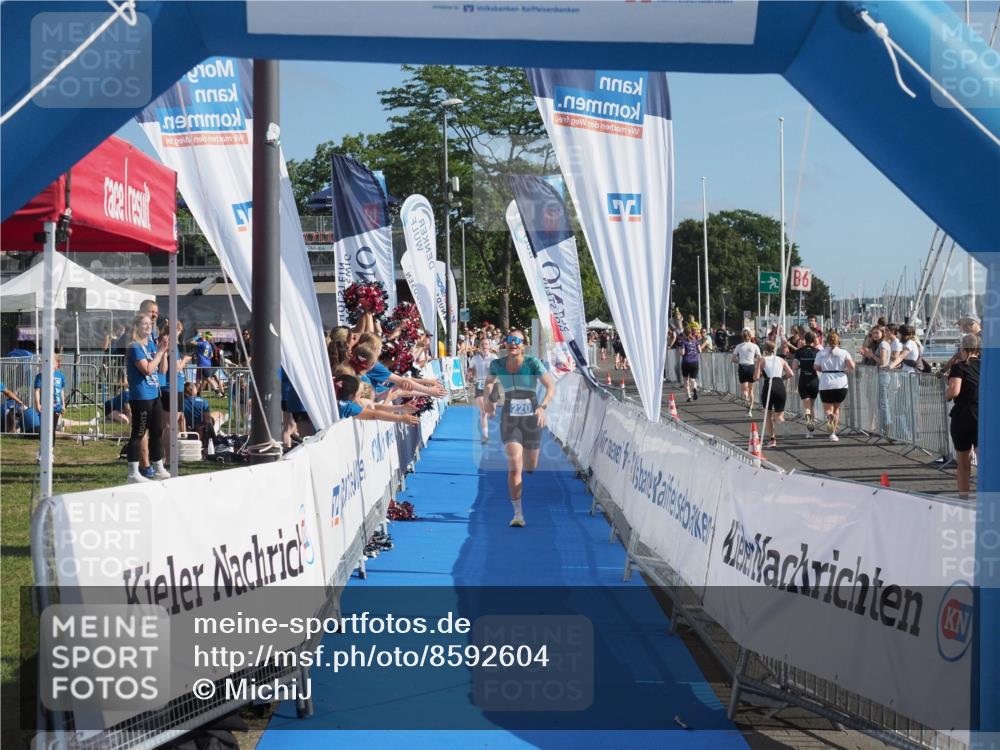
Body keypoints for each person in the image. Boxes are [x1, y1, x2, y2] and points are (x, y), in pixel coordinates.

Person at [485, 330, 556, 528]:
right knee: (515, 466)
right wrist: (487, 399)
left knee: (530, 467)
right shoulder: (497, 364)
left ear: (523, 345)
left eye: (517, 341)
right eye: (509, 340)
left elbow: (551, 386)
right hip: (510, 417)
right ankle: (518, 514)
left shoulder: (532, 363)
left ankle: (530, 462)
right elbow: (488, 384)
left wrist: (543, 407)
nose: (513, 343)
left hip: (532, 417)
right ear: (505, 344)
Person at [125, 313, 170, 482]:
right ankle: (133, 472)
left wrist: (163, 351)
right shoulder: (134, 346)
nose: (148, 326)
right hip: (141, 396)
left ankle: (159, 467)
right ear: (137, 327)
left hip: (154, 393)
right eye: (144, 324)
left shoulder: (151, 344)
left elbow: (162, 370)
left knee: (157, 431)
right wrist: (159, 352)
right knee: (138, 432)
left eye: (149, 323)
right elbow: (147, 369)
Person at [944, 333, 979, 499]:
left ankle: (964, 498)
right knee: (984, 463)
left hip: (963, 417)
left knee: (963, 463)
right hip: (983, 416)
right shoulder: (986, 366)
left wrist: (946, 395)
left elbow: (954, 391)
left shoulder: (959, 367)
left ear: (963, 348)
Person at [814, 331, 855, 442]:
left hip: (826, 382)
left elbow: (816, 367)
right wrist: (844, 370)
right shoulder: (844, 352)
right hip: (841, 382)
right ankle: (833, 433)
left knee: (828, 410)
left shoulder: (821, 353)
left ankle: (829, 431)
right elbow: (852, 365)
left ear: (827, 340)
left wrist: (824, 369)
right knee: (836, 409)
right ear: (838, 341)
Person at [754, 340, 794, 448]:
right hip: (780, 385)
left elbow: (756, 377)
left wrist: (759, 367)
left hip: (769, 386)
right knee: (779, 415)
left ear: (765, 350)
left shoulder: (762, 360)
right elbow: (791, 373)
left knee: (768, 415)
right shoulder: (781, 359)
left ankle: (772, 439)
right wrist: (782, 378)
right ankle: (781, 421)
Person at [468, 338, 498, 444]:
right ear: (480, 347)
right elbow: (470, 369)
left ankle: (492, 410)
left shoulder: (494, 358)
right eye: (483, 344)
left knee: (492, 411)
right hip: (480, 385)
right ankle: (485, 436)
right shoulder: (475, 358)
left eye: (486, 344)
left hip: (492, 385)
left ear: (489, 346)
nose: (485, 346)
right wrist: (470, 376)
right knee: (483, 412)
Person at [792, 330, 821, 435]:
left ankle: (809, 430)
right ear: (813, 340)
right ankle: (811, 429)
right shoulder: (817, 352)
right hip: (814, 380)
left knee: (807, 407)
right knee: (812, 405)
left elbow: (794, 367)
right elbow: (820, 367)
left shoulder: (799, 351)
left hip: (803, 380)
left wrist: (801, 366)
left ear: (805, 339)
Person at [33, 354, 66, 443]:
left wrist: (63, 404)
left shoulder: (60, 376)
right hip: (44, 408)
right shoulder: (40, 376)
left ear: (57, 364)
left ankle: (51, 450)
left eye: (52, 362)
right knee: (44, 429)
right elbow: (37, 391)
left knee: (52, 429)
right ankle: (42, 450)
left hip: (56, 407)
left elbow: (61, 390)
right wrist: (38, 404)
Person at [731, 329, 761, 415]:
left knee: (744, 390)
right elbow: (759, 358)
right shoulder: (754, 346)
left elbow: (733, 359)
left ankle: (745, 397)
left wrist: (739, 361)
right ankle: (750, 411)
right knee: (751, 390)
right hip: (751, 367)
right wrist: (754, 360)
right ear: (750, 336)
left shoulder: (739, 346)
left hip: (742, 367)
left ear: (742, 337)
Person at [675, 327, 706, 401]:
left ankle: (689, 396)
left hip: (686, 362)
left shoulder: (683, 342)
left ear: (684, 334)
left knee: (686, 380)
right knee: (693, 379)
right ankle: (694, 388)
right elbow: (700, 351)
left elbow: (682, 353)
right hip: (695, 362)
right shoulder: (696, 341)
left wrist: (679, 350)